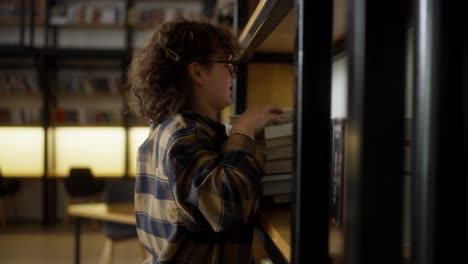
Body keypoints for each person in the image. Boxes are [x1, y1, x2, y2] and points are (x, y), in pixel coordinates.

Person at [127, 18, 283, 264]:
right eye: (227, 64)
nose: (233, 74)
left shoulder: (167, 129)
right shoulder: (184, 135)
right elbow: (227, 206)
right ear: (198, 71)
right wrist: (243, 131)